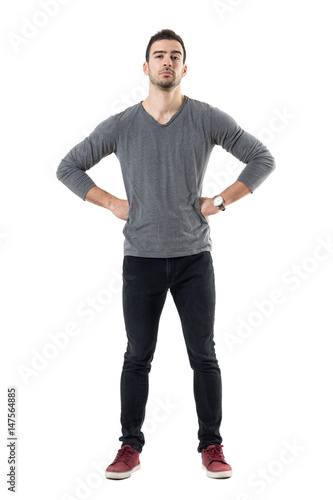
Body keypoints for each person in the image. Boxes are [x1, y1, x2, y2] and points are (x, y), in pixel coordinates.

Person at [56, 29, 276, 480]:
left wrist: (217, 202)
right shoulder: (121, 124)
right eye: (159, 56)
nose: (167, 62)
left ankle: (211, 445)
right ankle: (129, 447)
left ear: (184, 67)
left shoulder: (204, 117)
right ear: (145, 67)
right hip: (141, 260)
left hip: (195, 258)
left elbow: (261, 158)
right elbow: (68, 167)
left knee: (204, 354)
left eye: (175, 56)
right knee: (138, 354)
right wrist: (113, 203)